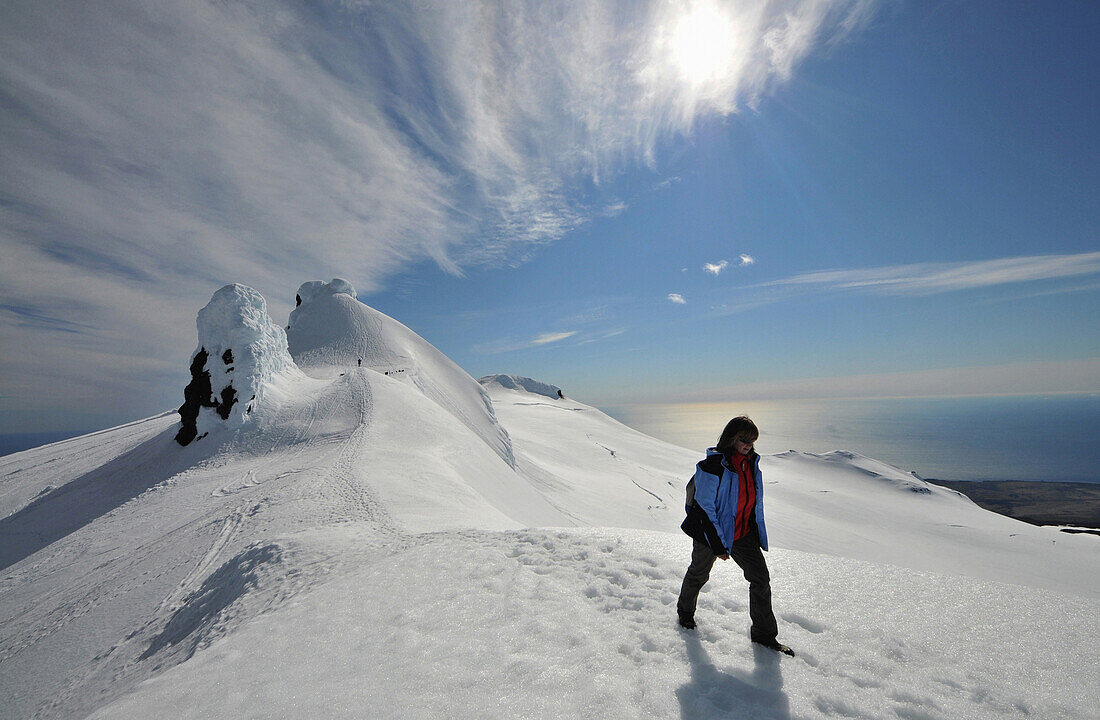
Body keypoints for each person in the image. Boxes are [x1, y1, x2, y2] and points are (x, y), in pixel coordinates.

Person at [677, 416, 793, 656]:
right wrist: (718, 544)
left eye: (752, 440)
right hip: (711, 533)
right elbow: (705, 507)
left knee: (760, 579)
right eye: (743, 439)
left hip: (743, 533)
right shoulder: (712, 466)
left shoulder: (751, 463)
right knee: (699, 574)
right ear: (731, 438)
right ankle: (685, 615)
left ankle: (764, 636)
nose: (749, 444)